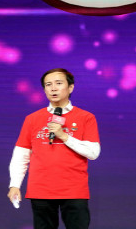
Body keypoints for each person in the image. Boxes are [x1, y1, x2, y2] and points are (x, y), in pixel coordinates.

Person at [8, 68, 101, 229]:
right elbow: (21, 155)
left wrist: (64, 136)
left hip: (74, 190)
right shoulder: (32, 119)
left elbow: (93, 152)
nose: (53, 88)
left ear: (70, 87)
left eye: (58, 83)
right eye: (48, 85)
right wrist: (14, 184)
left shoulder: (86, 117)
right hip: (40, 189)